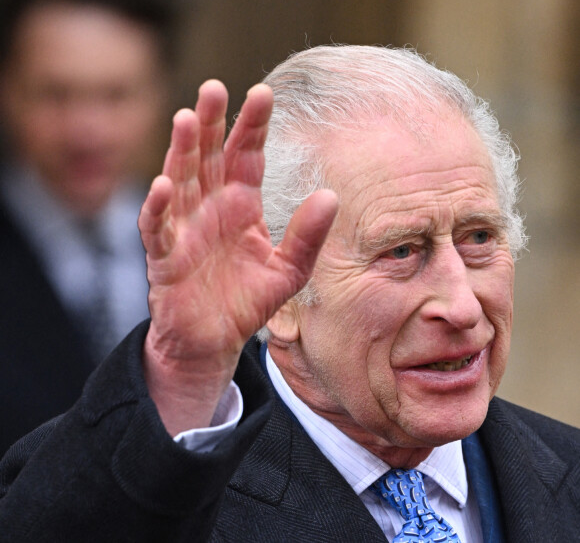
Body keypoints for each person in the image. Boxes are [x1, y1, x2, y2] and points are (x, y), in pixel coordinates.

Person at [1, 45, 579, 542]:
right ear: (281, 299)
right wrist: (186, 372)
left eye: (479, 237)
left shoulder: (564, 474)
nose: (461, 306)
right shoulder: (160, 491)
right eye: (401, 251)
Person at [0, 0, 176, 454]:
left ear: (158, 94)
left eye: (115, 95)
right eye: (57, 95)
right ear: (7, 90)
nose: (87, 131)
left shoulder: (205, 242)